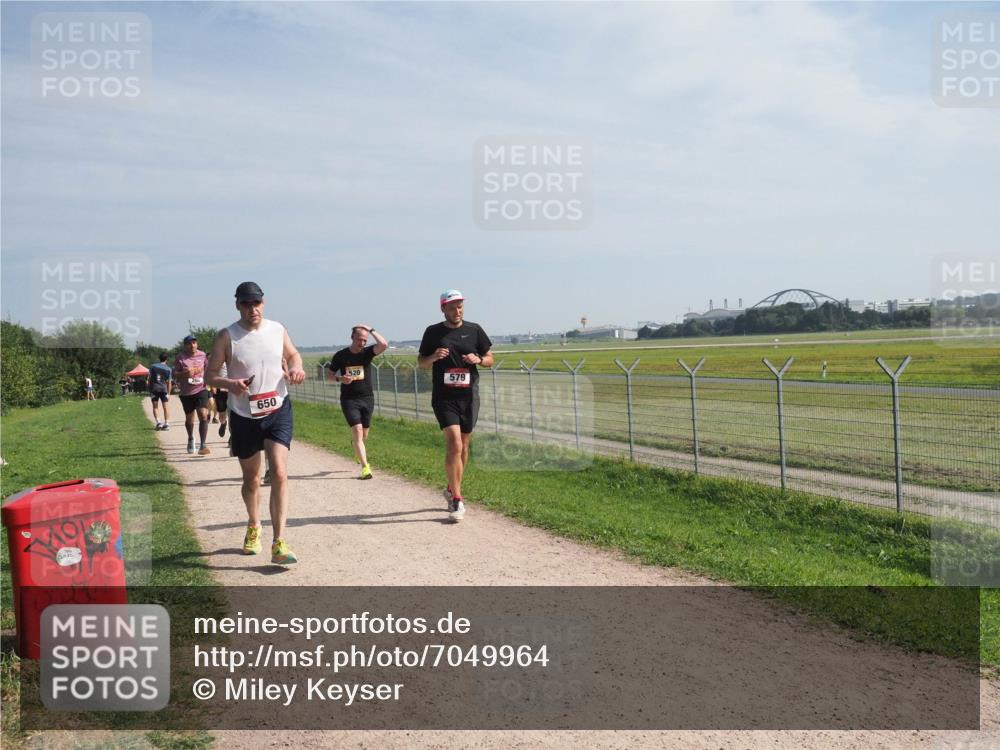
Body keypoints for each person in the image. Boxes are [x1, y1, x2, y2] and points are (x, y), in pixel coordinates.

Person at [206, 281, 306, 565]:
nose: (253, 309)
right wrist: (230, 383)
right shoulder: (227, 336)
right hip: (244, 415)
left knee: (280, 473)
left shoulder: (277, 329)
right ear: (238, 305)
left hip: (277, 409)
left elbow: (293, 355)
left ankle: (280, 542)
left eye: (257, 303)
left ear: (264, 303)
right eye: (247, 304)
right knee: (251, 479)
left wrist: (297, 367)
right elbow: (210, 376)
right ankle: (253, 525)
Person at [417, 290, 493, 522]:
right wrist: (433, 357)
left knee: (465, 446)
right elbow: (421, 363)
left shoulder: (474, 329)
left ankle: (451, 488)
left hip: (469, 397)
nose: (457, 310)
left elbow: (490, 358)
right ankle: (457, 499)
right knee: (454, 443)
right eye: (451, 307)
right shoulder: (433, 332)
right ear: (443, 309)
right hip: (444, 397)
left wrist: (478, 360)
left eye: (459, 306)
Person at [326, 325, 388, 479]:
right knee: (358, 431)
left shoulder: (367, 353)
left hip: (367, 398)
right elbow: (329, 376)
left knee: (363, 434)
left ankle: (357, 447)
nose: (362, 343)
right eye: (360, 339)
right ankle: (365, 467)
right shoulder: (341, 356)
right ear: (352, 337)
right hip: (349, 399)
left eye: (365, 340)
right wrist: (341, 379)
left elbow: (384, 345)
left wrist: (371, 329)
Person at [173, 334, 212, 455]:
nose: (192, 345)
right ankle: (190, 438)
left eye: (194, 343)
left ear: (197, 344)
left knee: (203, 415)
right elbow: (175, 374)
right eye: (189, 343)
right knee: (189, 420)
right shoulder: (180, 357)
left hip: (201, 389)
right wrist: (185, 373)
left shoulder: (203, 355)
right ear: (185, 346)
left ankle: (203, 445)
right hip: (186, 392)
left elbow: (208, 369)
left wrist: (211, 383)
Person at [148, 353, 173, 430]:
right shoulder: (169, 369)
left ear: (159, 358)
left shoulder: (152, 366)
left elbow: (149, 380)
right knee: (166, 407)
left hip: (154, 389)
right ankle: (167, 424)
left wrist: (149, 390)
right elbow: (169, 382)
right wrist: (168, 393)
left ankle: (159, 423)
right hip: (163, 389)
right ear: (166, 359)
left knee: (155, 407)